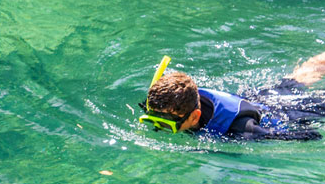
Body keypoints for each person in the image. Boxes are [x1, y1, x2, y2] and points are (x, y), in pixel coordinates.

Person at [139, 51, 325, 140]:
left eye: (165, 124)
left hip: (289, 113)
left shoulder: (241, 129)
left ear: (195, 116)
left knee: (306, 75)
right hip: (258, 98)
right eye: (152, 119)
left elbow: (307, 136)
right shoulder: (174, 101)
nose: (157, 126)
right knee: (300, 76)